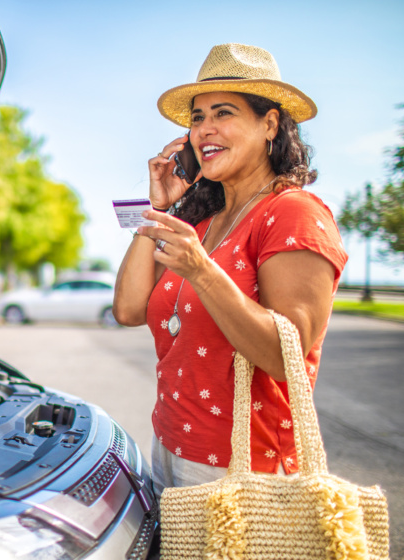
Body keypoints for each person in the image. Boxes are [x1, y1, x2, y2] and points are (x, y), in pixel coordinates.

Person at [112, 43, 348, 497]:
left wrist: (202, 272)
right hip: (169, 447)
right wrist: (157, 209)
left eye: (223, 113)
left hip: (244, 470)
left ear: (270, 124)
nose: (205, 129)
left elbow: (288, 357)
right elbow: (127, 309)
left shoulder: (294, 213)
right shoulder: (200, 222)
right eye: (197, 118)